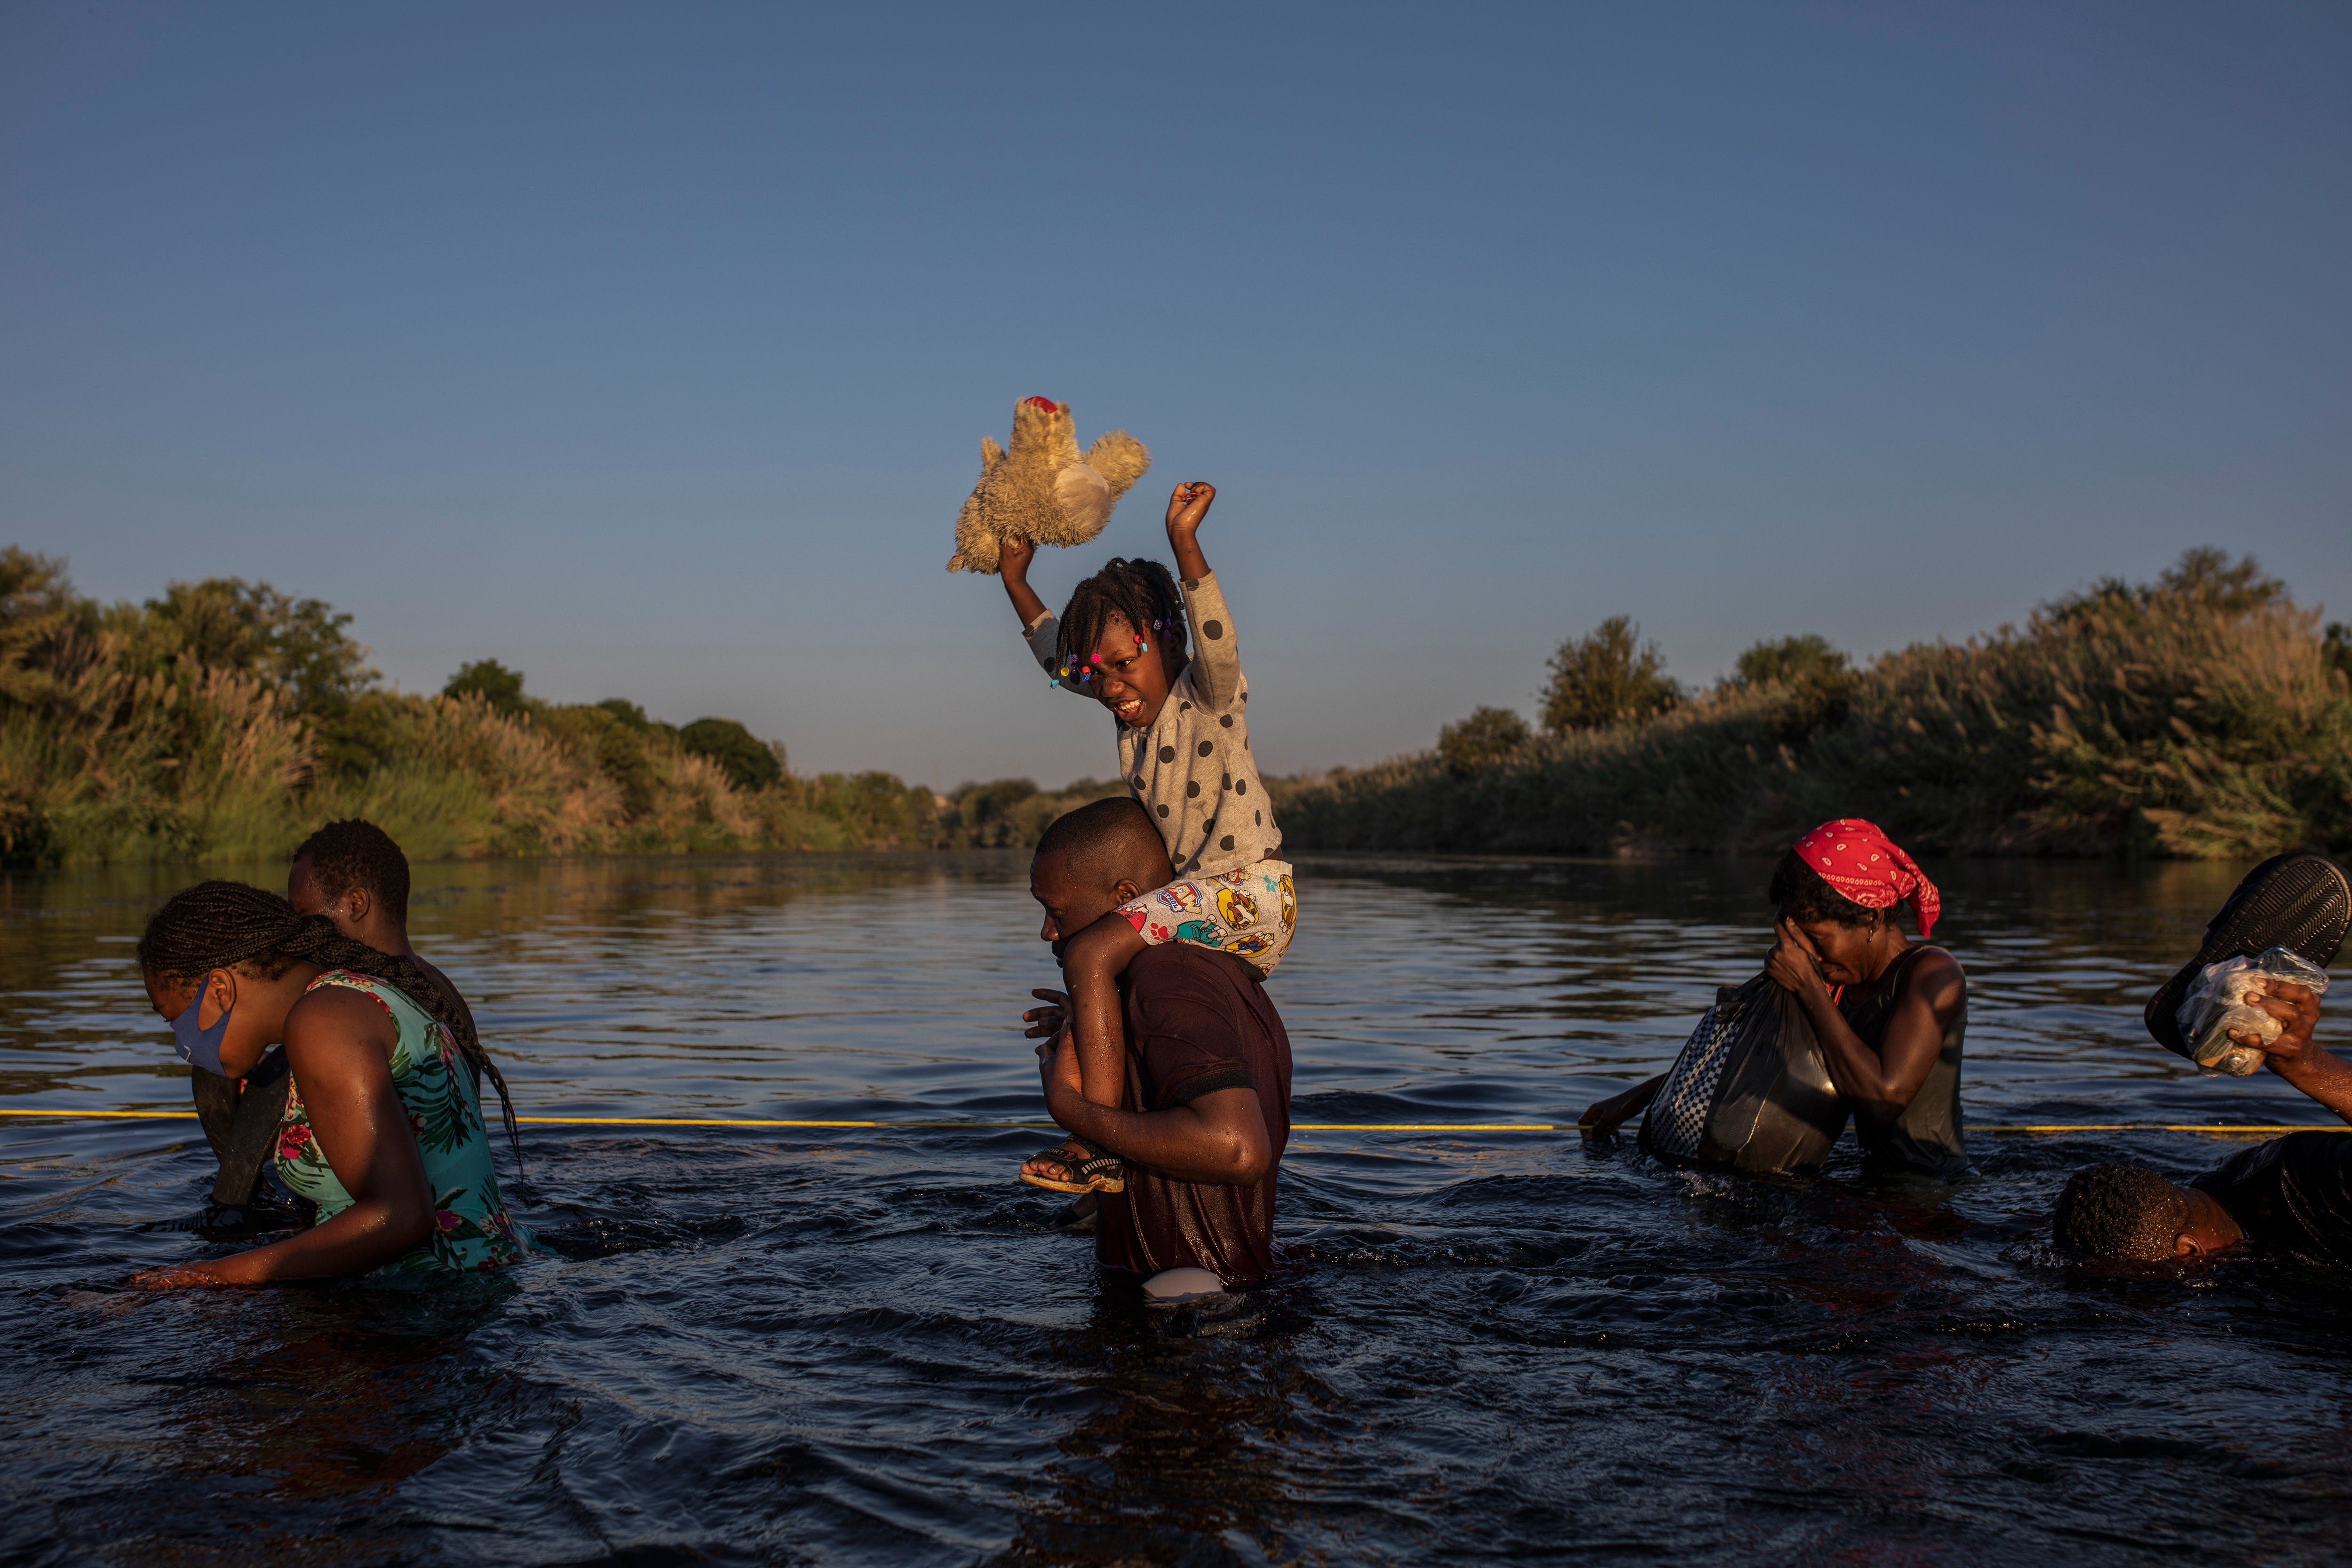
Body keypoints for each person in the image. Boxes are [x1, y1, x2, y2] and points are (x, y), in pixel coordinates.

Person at [994, 479, 1296, 1195]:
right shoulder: (1123, 711)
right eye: (1098, 675)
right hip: (1204, 903)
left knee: (1090, 948)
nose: (1110, 688)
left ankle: (1089, 1140)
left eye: (1125, 666)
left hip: (1248, 891)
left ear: (1166, 642)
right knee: (1096, 979)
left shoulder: (1207, 697)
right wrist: (1015, 579)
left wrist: (1185, 543)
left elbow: (1216, 641)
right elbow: (1059, 659)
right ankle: (1112, 1134)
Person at [130, 880, 534, 1287]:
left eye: (174, 1020)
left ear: (220, 988)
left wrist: (208, 1275)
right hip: (489, 1271)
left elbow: (403, 1216)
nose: (180, 1043)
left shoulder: (322, 1022)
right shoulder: (356, 991)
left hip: (431, 1298)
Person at [1581, 819, 1970, 1180]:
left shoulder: (1932, 974)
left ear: (1870, 918)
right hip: (1868, 1179)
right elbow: (1752, 1061)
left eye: (1817, 939)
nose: (1811, 956)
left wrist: (1810, 988)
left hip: (1929, 1191)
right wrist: (1636, 1097)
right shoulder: (1834, 987)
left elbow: (1886, 1098)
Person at [1017, 798, 1294, 1296]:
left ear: (1126, 897)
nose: (1047, 932)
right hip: (1204, 1297)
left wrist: (1070, 1108)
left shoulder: (1169, 977)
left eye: (1055, 911)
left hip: (1188, 1315)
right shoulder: (1193, 975)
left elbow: (1236, 1149)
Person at [2056, 980, 2352, 1268]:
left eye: (2145, 1285)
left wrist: (2306, 1065)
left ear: (2188, 1252)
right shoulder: (2205, 1210)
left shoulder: (2311, 1188)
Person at [289, 818, 477, 1041]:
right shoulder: (439, 986)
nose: (298, 930)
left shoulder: (345, 1004)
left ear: (356, 904)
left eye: (302, 913)